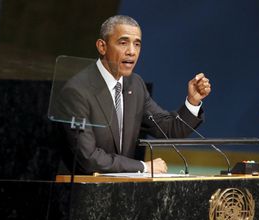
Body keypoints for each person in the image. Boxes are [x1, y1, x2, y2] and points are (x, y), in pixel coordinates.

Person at [54, 15, 211, 174]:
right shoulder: (77, 92)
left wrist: (193, 101)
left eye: (137, 44)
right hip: (82, 191)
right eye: (123, 43)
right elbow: (88, 158)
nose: (131, 52)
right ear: (102, 46)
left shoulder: (135, 85)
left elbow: (168, 129)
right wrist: (143, 167)